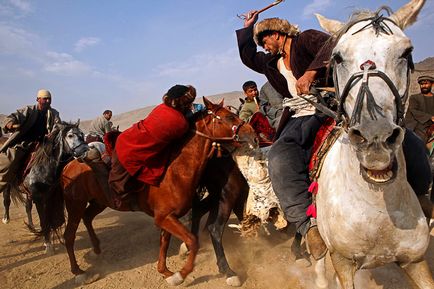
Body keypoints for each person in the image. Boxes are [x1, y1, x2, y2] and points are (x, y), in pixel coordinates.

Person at [236, 12, 432, 259]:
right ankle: (308, 226)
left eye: (263, 41)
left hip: (329, 107)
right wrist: (248, 27)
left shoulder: (304, 39)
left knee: (409, 139)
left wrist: (311, 73)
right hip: (297, 116)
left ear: (276, 33)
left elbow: (333, 45)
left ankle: (420, 193)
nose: (262, 47)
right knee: (279, 157)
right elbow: (247, 57)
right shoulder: (270, 62)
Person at [108, 85, 196, 198]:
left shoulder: (161, 107)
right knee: (121, 186)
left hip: (126, 137)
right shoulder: (181, 123)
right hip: (130, 150)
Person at [0, 89, 61, 193]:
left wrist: (54, 132)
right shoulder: (29, 110)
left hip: (43, 145)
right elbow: (14, 116)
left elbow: (57, 125)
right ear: (38, 99)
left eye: (49, 99)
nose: (47, 101)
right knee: (10, 162)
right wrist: (10, 123)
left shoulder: (54, 113)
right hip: (24, 143)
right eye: (45, 99)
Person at [405, 75, 434, 144]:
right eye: (421, 84)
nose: (423, 86)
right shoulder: (414, 98)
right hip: (418, 125)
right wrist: (430, 117)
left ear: (432, 84)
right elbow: (414, 110)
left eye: (426, 84)